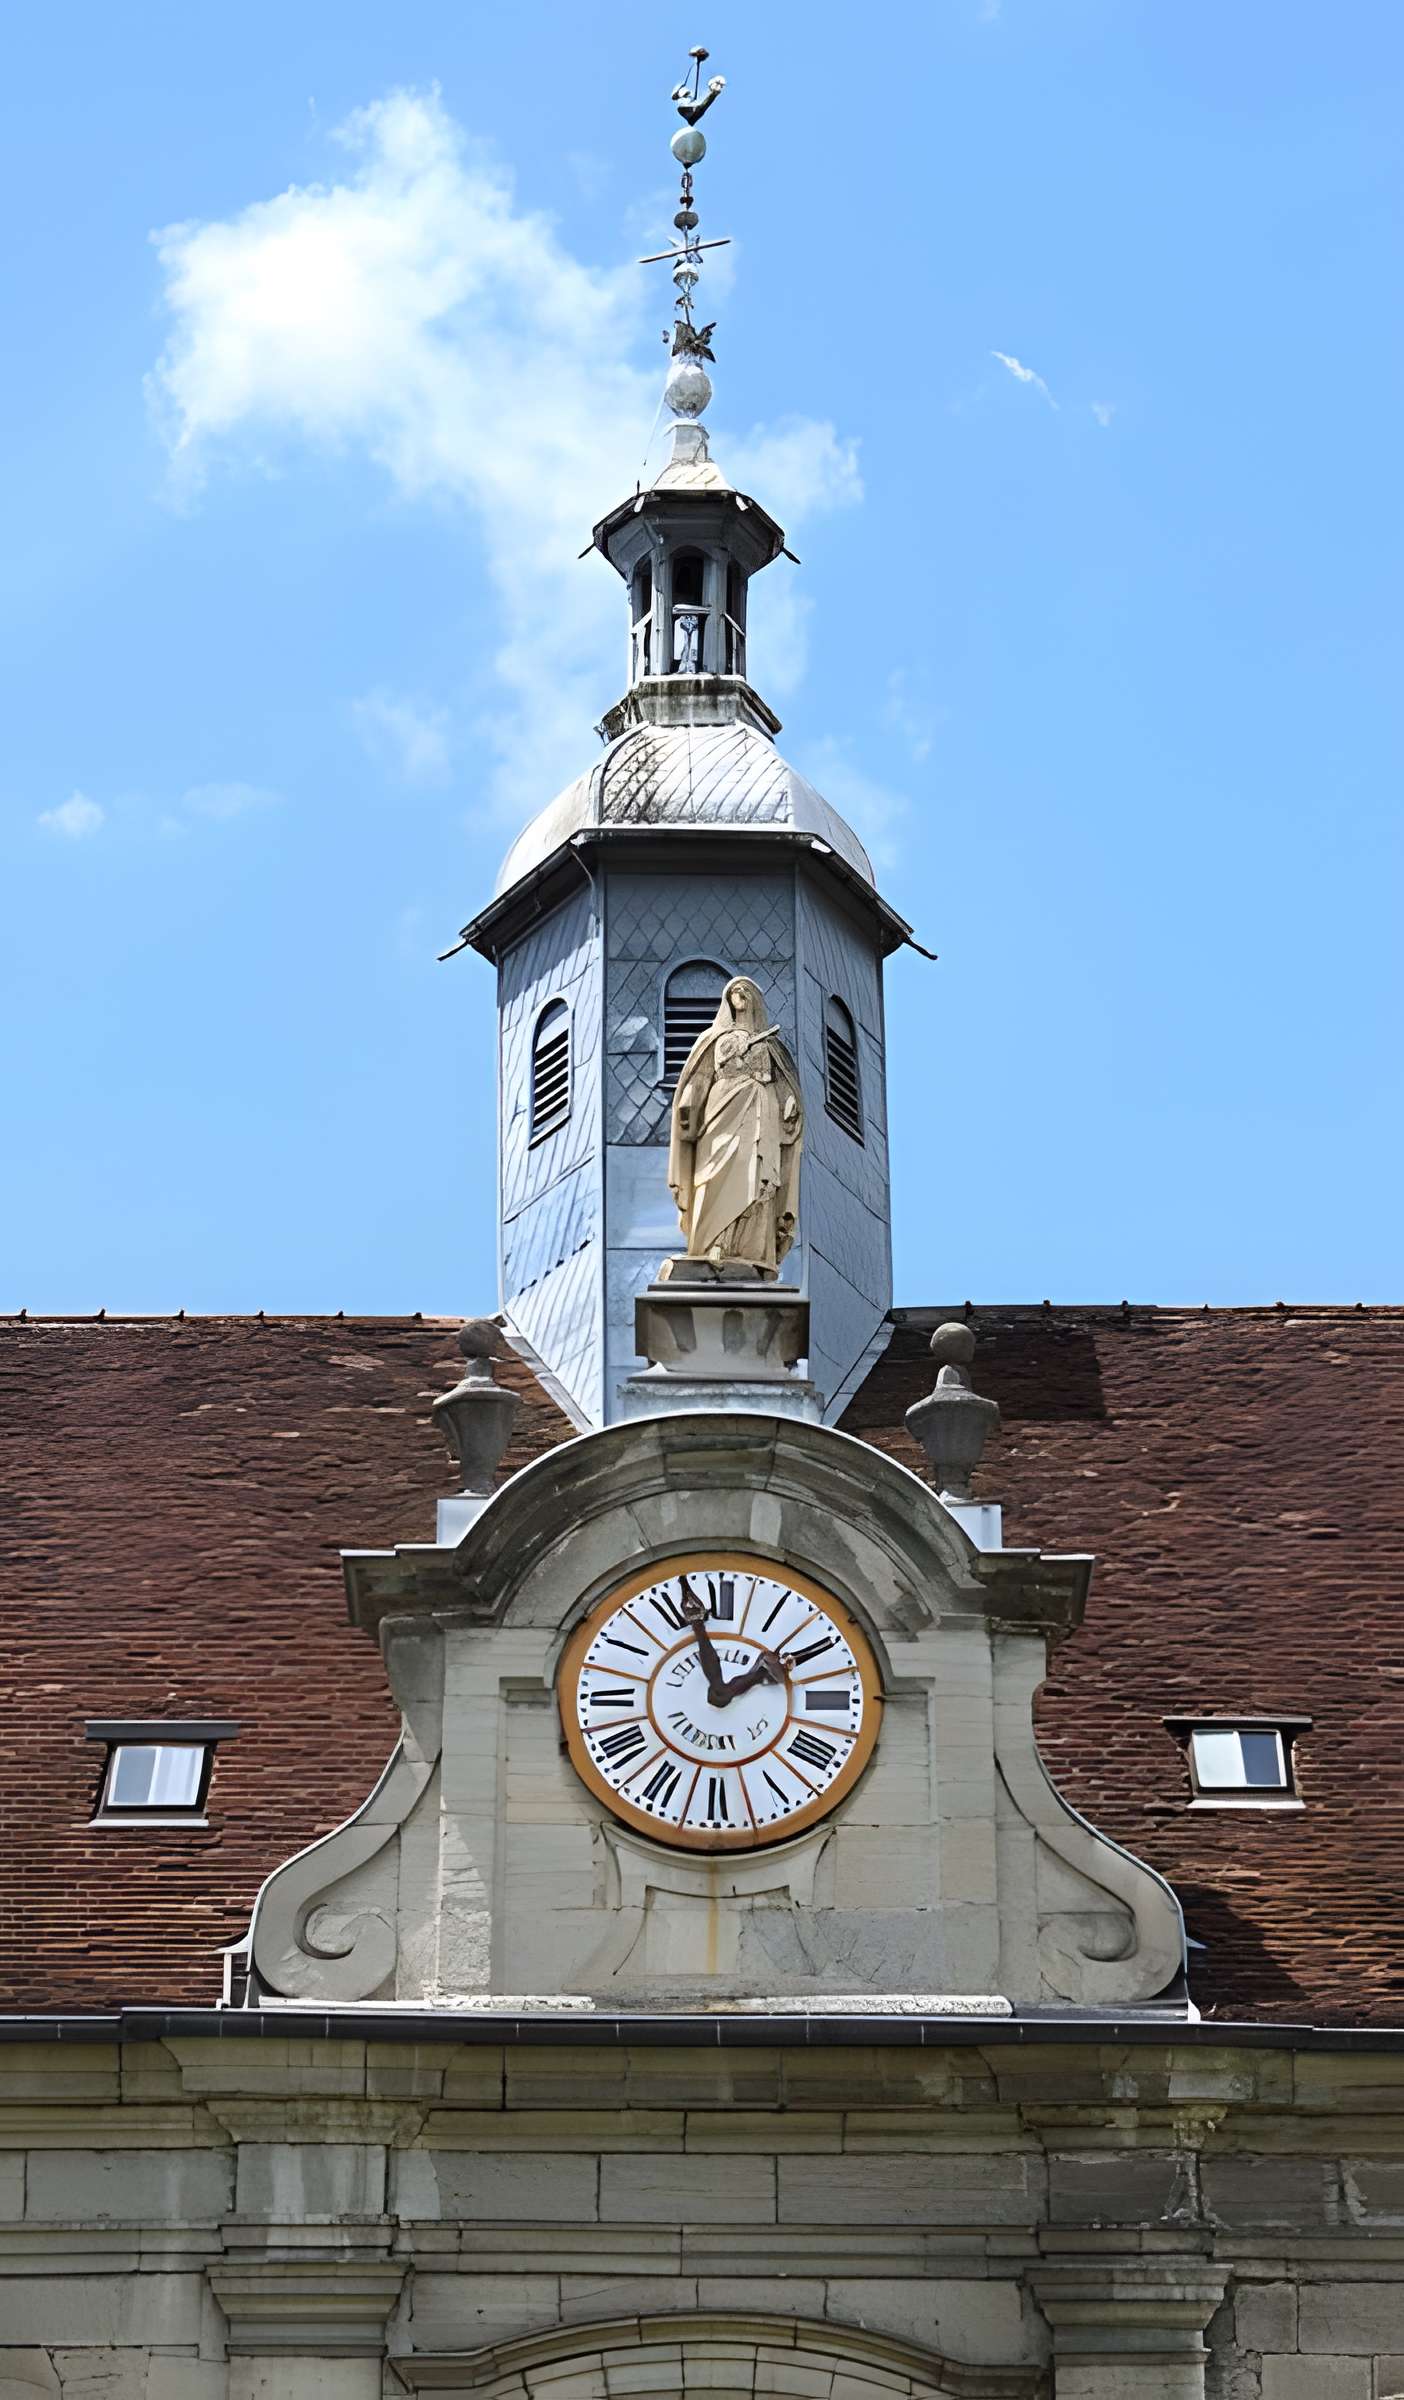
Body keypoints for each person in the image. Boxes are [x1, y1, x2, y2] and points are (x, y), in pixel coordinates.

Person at [667, 976, 803, 1273]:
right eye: (734, 991)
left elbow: (784, 1087)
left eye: (745, 991)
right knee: (717, 1173)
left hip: (760, 1111)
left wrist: (789, 1104)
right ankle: (714, 1240)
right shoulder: (713, 1039)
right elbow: (699, 1077)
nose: (738, 995)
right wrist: (688, 1100)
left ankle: (751, 1247)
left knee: (757, 1176)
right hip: (722, 1109)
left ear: (755, 999)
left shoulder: (770, 1045)